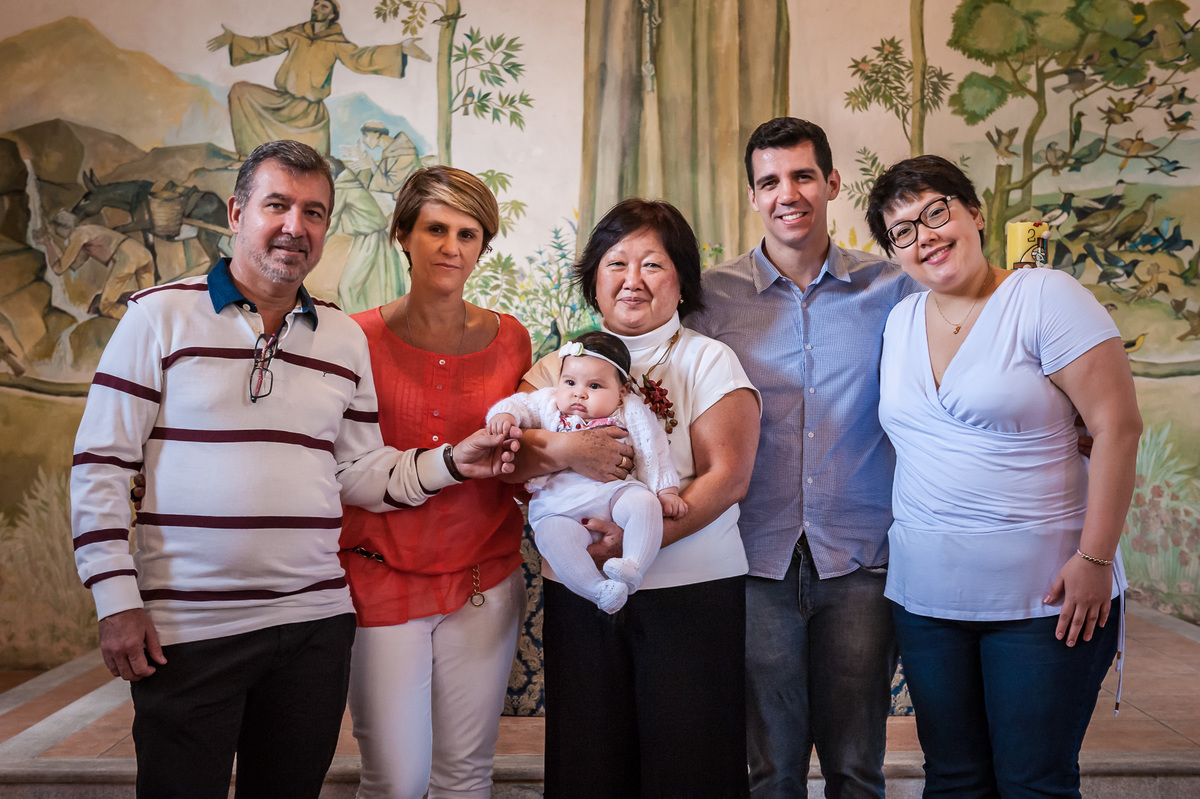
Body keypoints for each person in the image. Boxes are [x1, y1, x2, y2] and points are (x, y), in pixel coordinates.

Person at [70, 140, 515, 799]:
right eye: (277, 205)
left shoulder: (341, 339)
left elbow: (360, 472)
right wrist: (116, 599)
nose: (294, 226)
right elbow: (100, 466)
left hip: (314, 625)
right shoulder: (158, 316)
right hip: (190, 628)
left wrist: (454, 461)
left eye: (314, 212)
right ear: (236, 211)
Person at [866, 155, 1142, 797]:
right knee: (955, 779)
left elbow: (1116, 427)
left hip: (1044, 597)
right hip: (927, 598)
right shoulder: (900, 322)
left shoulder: (1044, 296)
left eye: (936, 212)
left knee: (1032, 782)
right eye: (902, 230)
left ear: (974, 213)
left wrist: (1095, 558)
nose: (924, 235)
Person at [687, 117, 921, 797]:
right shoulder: (708, 299)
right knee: (771, 772)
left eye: (802, 175)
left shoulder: (894, 290)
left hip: (859, 559)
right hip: (754, 556)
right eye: (770, 181)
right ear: (753, 196)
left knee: (856, 767)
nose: (787, 192)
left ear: (832, 183)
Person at [514, 198, 761, 797]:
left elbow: (727, 476)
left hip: (692, 591)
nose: (632, 280)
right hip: (581, 589)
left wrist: (640, 539)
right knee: (589, 766)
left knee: (691, 769)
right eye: (616, 263)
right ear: (594, 279)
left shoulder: (709, 359)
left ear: (681, 279)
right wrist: (571, 455)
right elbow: (512, 458)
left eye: (652, 264)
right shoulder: (555, 368)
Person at [338, 165, 531, 799]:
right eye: (436, 229)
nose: (452, 247)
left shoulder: (512, 340)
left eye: (469, 234)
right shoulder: (353, 338)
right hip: (380, 576)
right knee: (395, 780)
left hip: (484, 581)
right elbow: (343, 469)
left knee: (465, 776)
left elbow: (527, 447)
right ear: (402, 233)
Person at [487, 331, 686, 614]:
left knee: (645, 504)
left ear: (621, 392)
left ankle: (633, 565)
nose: (578, 393)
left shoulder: (632, 412)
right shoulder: (548, 403)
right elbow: (519, 404)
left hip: (614, 492)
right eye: (569, 382)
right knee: (553, 537)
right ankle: (598, 590)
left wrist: (666, 490)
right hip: (559, 505)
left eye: (594, 385)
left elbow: (653, 451)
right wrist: (504, 415)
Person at [208, 0, 431, 157]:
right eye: (316, 4)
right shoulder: (296, 32)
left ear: (332, 14)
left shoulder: (335, 41)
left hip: (309, 114)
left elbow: (360, 58)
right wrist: (233, 39)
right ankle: (248, 155)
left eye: (324, 6)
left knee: (314, 163)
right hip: (281, 102)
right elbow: (265, 44)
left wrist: (400, 49)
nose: (317, 8)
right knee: (240, 91)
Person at [36, 210, 155, 319]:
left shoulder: (77, 235)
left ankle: (139, 321)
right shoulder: (88, 233)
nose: (57, 234)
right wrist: (50, 244)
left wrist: (48, 244)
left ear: (61, 227)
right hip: (143, 253)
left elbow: (59, 268)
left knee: (106, 306)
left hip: (127, 257)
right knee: (149, 301)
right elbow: (73, 265)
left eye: (55, 230)